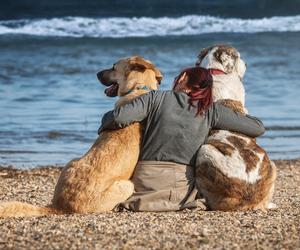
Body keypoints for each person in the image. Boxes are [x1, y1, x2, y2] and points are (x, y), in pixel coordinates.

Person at [98, 67, 265, 212]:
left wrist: (103, 124)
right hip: (181, 191)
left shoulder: (155, 98)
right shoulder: (211, 110)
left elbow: (118, 118)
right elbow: (257, 127)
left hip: (145, 182)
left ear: (183, 78)